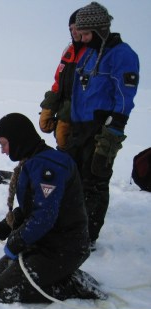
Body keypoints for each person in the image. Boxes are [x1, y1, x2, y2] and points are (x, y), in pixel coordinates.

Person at [0, 113, 106, 304]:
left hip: (65, 247)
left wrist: (16, 243)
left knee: (5, 290)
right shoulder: (34, 160)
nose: (2, 150)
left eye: (3, 143)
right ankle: (57, 273)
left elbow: (43, 217)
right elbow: (30, 210)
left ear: (17, 139)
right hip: (48, 241)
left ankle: (73, 284)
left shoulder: (48, 168)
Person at [67, 2, 139, 250]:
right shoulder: (88, 53)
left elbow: (124, 98)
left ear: (100, 29)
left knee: (95, 180)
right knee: (73, 179)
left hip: (101, 129)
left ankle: (87, 237)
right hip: (79, 127)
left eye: (86, 34)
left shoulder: (122, 55)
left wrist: (112, 134)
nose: (83, 39)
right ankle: (71, 229)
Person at [39, 9, 86, 150]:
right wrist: (49, 103)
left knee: (66, 139)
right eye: (71, 29)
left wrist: (68, 109)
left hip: (79, 108)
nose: (74, 32)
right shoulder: (68, 51)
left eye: (77, 28)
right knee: (57, 135)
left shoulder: (91, 53)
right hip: (63, 101)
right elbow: (58, 80)